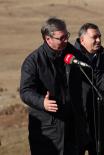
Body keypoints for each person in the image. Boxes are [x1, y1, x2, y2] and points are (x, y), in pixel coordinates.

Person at [19, 17, 78, 155]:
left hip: (70, 127)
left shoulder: (71, 52)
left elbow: (92, 73)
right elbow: (25, 91)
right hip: (46, 129)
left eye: (67, 36)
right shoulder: (33, 61)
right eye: (61, 38)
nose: (66, 40)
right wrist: (42, 102)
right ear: (48, 39)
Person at [73, 23, 104, 155]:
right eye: (94, 37)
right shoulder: (71, 58)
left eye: (100, 36)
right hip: (79, 123)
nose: (99, 40)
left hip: (101, 121)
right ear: (82, 39)